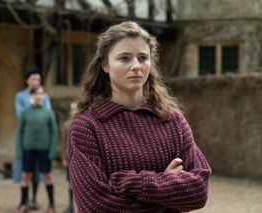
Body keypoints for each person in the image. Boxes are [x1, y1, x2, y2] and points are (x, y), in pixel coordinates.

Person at [68, 21, 212, 212]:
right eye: (124, 58)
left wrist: (130, 183)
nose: (136, 66)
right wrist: (167, 186)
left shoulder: (172, 121)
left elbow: (198, 191)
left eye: (143, 58)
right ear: (105, 65)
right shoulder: (87, 127)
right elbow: (96, 206)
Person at [13, 68, 52, 210]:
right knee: (25, 170)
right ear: (27, 80)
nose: (36, 82)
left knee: (37, 171)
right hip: (26, 138)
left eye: (38, 80)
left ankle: (34, 199)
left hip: (41, 138)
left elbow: (48, 112)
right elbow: (19, 114)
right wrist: (35, 103)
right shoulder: (20, 96)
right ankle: (24, 200)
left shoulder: (45, 96)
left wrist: (38, 102)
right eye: (33, 79)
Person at [60, 101, 78, 213]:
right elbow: (63, 143)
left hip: (79, 159)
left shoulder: (84, 123)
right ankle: (70, 205)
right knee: (70, 184)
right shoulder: (66, 125)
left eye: (75, 108)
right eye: (71, 109)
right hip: (69, 158)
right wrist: (63, 157)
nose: (73, 111)